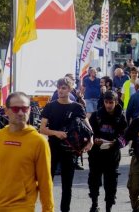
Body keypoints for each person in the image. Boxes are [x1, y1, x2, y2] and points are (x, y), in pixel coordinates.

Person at [0, 92, 54, 212]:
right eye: (16, 109)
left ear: (29, 110)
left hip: (23, 207)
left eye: (24, 108)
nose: (21, 113)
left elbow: (45, 181)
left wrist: (48, 209)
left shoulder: (38, 141)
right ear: (6, 111)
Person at [40, 77, 93, 212]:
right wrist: (56, 133)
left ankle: (65, 210)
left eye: (63, 88)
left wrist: (91, 139)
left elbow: (87, 126)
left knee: (67, 185)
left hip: (70, 149)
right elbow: (42, 129)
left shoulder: (77, 107)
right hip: (53, 148)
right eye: (58, 88)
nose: (60, 90)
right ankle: (48, 209)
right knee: (48, 183)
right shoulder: (50, 106)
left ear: (70, 89)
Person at [88, 91, 128, 212]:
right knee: (94, 180)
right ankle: (94, 204)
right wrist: (94, 140)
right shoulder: (96, 115)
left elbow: (125, 136)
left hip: (112, 154)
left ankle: (108, 207)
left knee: (110, 183)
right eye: (106, 102)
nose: (109, 105)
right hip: (96, 154)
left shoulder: (121, 117)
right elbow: (89, 133)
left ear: (116, 102)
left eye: (111, 102)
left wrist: (116, 143)